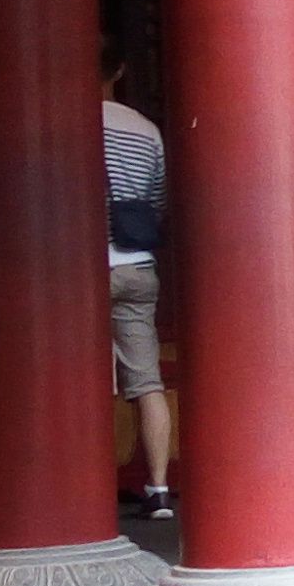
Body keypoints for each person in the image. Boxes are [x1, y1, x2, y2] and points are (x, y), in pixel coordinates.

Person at [105, 60, 177, 515]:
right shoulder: (146, 130)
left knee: (83, 379)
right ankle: (159, 489)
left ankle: (88, 488)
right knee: (147, 381)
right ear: (119, 71)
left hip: (84, 271)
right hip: (137, 264)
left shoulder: (68, 124)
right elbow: (159, 200)